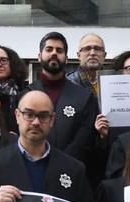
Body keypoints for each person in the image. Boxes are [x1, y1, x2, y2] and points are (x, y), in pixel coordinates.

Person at [27, 32, 99, 168]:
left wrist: (61, 162)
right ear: (39, 57)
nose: (54, 53)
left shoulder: (84, 97)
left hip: (72, 171)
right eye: (49, 49)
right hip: (34, 167)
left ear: (66, 58)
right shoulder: (27, 95)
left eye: (59, 50)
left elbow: (84, 139)